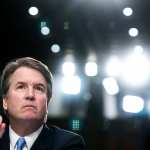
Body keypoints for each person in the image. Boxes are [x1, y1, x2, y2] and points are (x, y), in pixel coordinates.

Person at [0, 57, 85, 150]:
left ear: (47, 101)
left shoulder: (68, 143)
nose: (30, 95)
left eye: (39, 88)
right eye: (21, 87)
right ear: (5, 101)